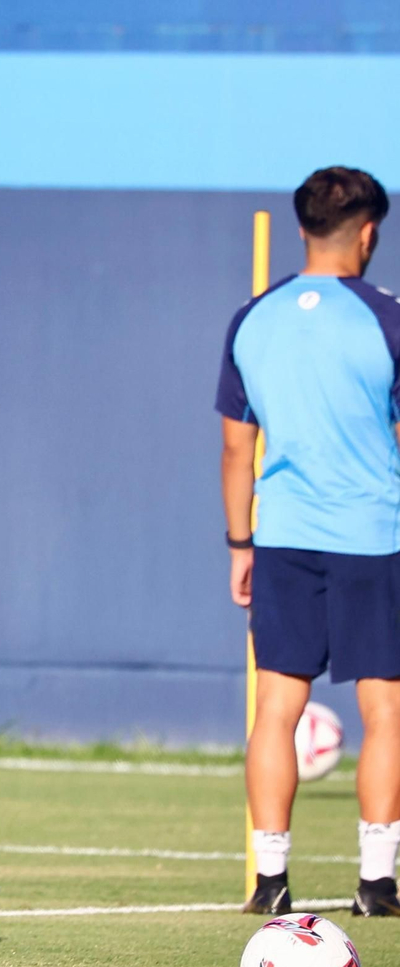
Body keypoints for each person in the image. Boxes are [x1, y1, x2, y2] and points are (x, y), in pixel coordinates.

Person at [218, 165, 400, 918]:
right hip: (375, 536)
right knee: (385, 710)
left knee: (276, 711)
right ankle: (378, 882)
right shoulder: (389, 318)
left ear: (300, 229)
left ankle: (269, 881)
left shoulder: (252, 319)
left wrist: (240, 543)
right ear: (367, 233)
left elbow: (236, 449)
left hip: (284, 536)